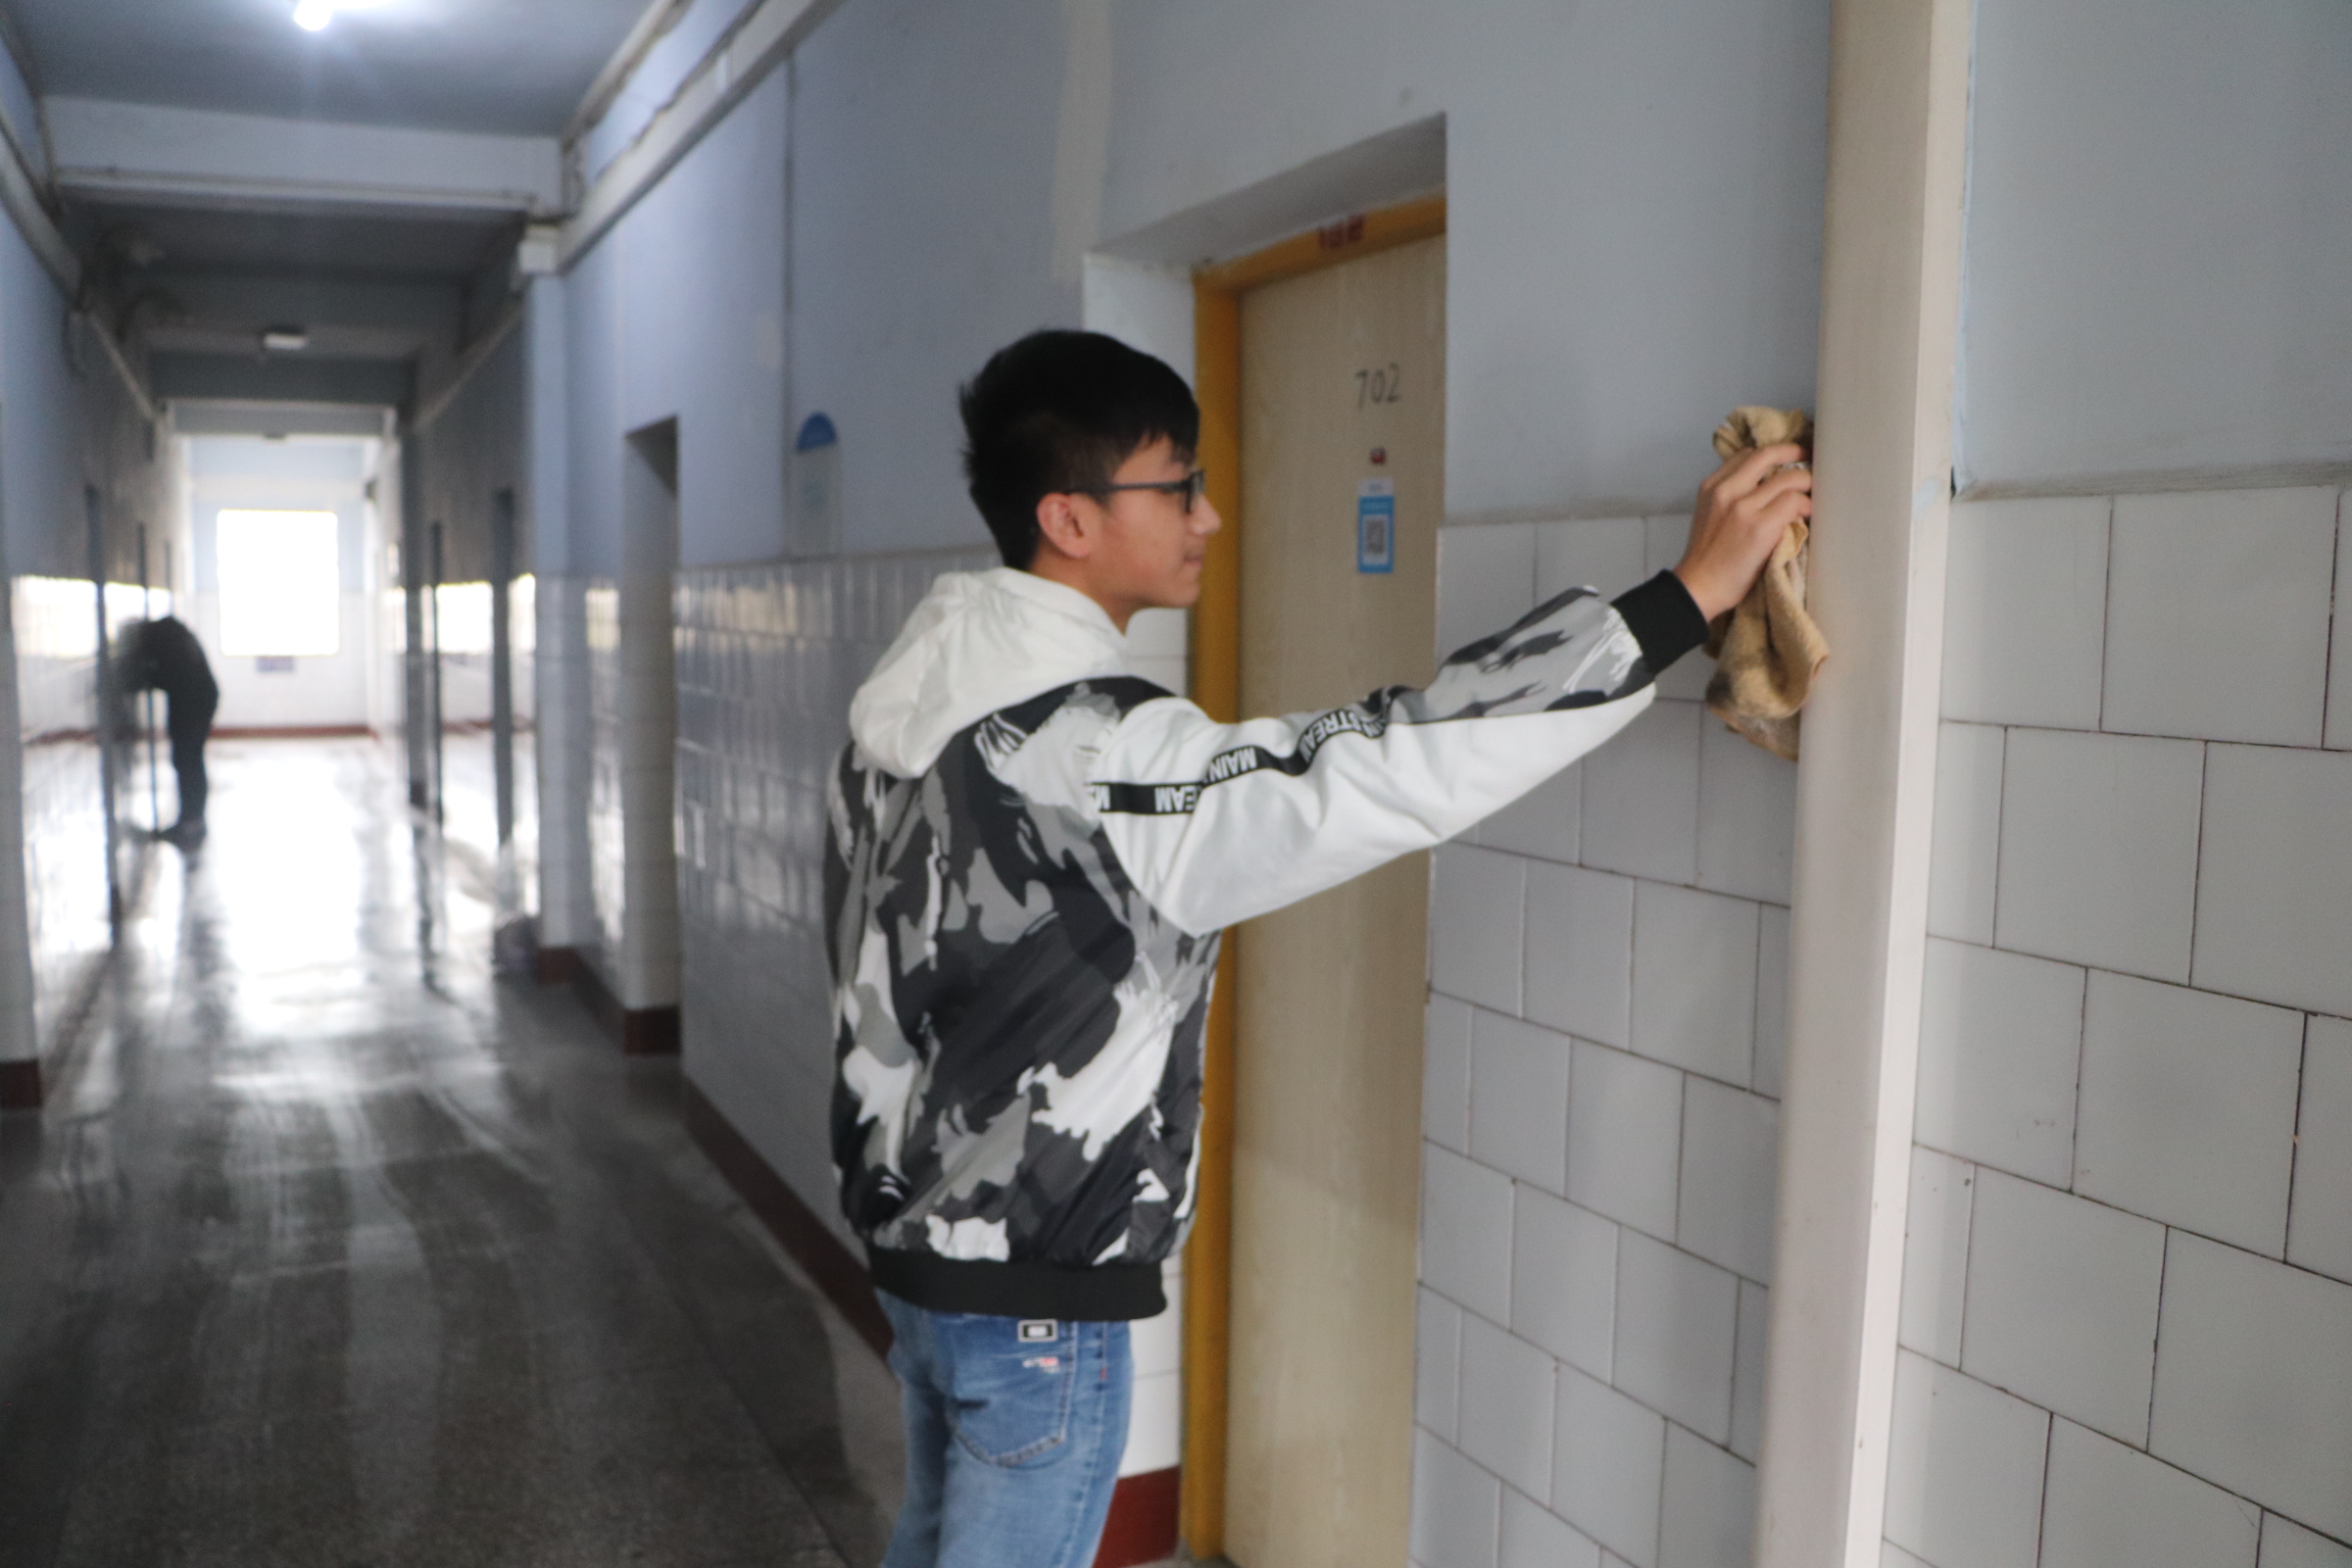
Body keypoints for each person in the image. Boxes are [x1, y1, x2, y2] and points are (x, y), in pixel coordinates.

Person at [824, 329, 1810, 1568]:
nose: (1209, 515)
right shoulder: (1098, 748)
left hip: (917, 1258)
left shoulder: (899, 709)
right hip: (1033, 1295)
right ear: (1068, 518)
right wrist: (1681, 600)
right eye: (1179, 485)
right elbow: (1376, 764)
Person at [117, 615, 220, 847]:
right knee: (188, 762)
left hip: (194, 702)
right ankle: (191, 822)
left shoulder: (164, 637)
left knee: (188, 763)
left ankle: (191, 825)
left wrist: (127, 680)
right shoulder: (168, 633)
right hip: (196, 700)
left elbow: (162, 674)